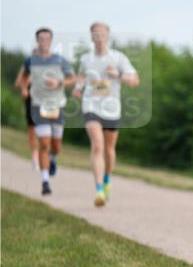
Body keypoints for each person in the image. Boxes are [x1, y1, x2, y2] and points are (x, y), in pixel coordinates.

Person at [72, 22, 139, 207]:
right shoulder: (86, 59)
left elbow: (135, 80)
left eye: (102, 33)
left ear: (107, 36)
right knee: (98, 146)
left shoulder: (118, 58)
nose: (99, 37)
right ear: (92, 37)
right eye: (95, 34)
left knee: (109, 150)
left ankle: (108, 179)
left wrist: (117, 75)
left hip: (111, 109)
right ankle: (99, 189)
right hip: (91, 106)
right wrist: (78, 88)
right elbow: (82, 76)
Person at [15, 28, 75, 196]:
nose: (44, 42)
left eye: (47, 39)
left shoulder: (60, 60)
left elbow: (72, 78)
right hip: (38, 105)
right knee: (43, 143)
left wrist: (59, 82)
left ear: (51, 41)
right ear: (37, 41)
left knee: (56, 145)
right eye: (41, 39)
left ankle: (53, 158)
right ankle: (45, 181)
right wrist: (24, 88)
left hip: (57, 105)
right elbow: (23, 78)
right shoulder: (30, 60)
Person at [13, 46, 41, 171]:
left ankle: (43, 154)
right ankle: (35, 156)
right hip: (31, 99)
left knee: (44, 128)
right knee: (32, 128)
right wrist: (25, 87)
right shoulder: (26, 68)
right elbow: (18, 83)